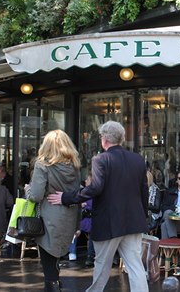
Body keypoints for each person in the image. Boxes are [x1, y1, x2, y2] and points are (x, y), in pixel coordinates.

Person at [47, 121, 149, 292]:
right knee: (136, 267)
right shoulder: (138, 159)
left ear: (104, 139)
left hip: (108, 223)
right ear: (121, 138)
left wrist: (66, 198)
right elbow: (143, 191)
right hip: (133, 222)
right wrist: (142, 216)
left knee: (102, 267)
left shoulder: (101, 159)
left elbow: (95, 188)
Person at [26, 129, 82, 292]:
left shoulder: (42, 164)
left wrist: (28, 190)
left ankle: (53, 287)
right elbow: (76, 193)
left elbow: (36, 195)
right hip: (69, 216)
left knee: (48, 266)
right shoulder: (75, 165)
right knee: (55, 261)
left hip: (49, 217)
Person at [69, 171, 95, 268]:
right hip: (89, 220)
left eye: (87, 179)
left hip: (85, 219)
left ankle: (72, 252)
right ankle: (90, 256)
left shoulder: (87, 192)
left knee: (74, 228)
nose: (85, 181)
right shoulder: (91, 191)